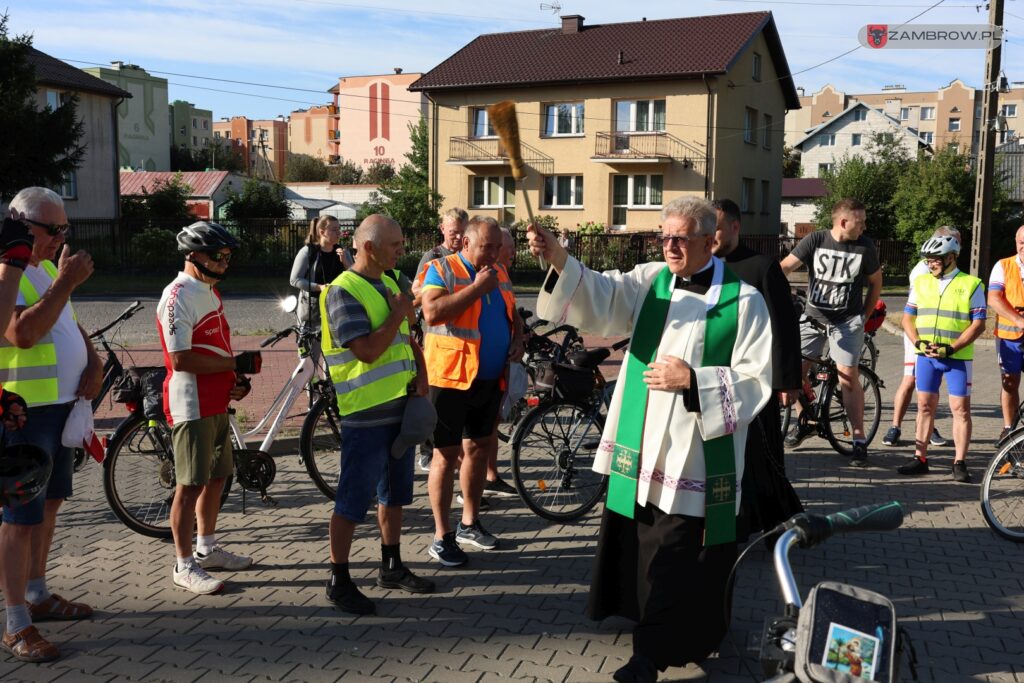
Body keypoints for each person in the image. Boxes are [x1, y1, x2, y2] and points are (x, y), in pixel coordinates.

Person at [528, 197, 773, 682]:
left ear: (711, 240)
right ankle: (651, 624)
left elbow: (755, 378)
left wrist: (694, 380)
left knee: (680, 548)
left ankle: (650, 655)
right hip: (641, 437)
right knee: (644, 537)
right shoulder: (650, 280)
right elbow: (600, 294)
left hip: (698, 447)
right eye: (664, 236)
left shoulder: (744, 301)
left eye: (680, 238)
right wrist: (558, 256)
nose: (670, 246)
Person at [0, 187, 99, 663]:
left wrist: (95, 358)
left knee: (50, 505)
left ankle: (38, 593)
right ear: (21, 225)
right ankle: (16, 621)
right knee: (19, 519)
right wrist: (67, 282)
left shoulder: (42, 272)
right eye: (52, 229)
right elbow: (22, 333)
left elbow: (67, 326)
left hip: (60, 410)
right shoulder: (8, 271)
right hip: (23, 413)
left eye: (65, 228)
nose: (61, 237)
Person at [321, 214, 435, 615]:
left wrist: (421, 374)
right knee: (353, 499)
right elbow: (367, 350)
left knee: (395, 494)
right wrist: (399, 313)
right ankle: (339, 579)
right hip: (365, 413)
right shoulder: (342, 291)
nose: (402, 251)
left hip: (400, 408)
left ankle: (391, 565)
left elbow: (408, 338)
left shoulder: (388, 283)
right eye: (395, 245)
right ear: (368, 247)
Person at [158, 221, 259, 595]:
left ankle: (206, 548)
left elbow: (213, 349)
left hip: (216, 402)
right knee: (189, 485)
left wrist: (235, 380)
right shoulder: (177, 295)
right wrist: (234, 364)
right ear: (194, 255)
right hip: (191, 404)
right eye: (219, 255)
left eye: (229, 255)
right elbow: (180, 359)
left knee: (217, 478)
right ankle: (183, 565)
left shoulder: (210, 291)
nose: (225, 262)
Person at [421, 216, 520, 567]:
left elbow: (513, 312)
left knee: (479, 448)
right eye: (486, 247)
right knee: (445, 457)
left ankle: (469, 523)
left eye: (497, 247)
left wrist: (518, 339)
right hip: (449, 379)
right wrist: (476, 288)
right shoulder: (441, 268)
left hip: (490, 379)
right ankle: (441, 536)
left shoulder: (500, 273)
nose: (493, 254)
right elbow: (431, 312)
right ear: (465, 244)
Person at [711, 199, 803, 536]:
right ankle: (733, 523)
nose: (711, 236)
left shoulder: (762, 267)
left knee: (761, 459)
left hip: (755, 381)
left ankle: (778, 525)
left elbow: (784, 326)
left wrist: (786, 382)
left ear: (735, 227)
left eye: (717, 228)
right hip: (714, 381)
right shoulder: (704, 267)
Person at [780, 198, 882, 468]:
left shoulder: (865, 246)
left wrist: (864, 316)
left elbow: (875, 283)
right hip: (813, 319)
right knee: (792, 372)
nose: (864, 227)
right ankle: (807, 420)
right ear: (843, 222)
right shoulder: (816, 240)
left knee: (848, 377)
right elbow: (784, 268)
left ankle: (858, 440)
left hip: (847, 323)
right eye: (860, 222)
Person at [897, 235, 985, 482]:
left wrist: (952, 347)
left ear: (951, 258)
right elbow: (907, 318)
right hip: (925, 356)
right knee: (924, 406)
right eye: (927, 260)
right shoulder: (922, 282)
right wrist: (917, 342)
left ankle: (959, 462)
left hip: (957, 358)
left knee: (960, 409)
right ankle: (920, 458)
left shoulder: (972, 284)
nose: (930, 264)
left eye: (935, 260)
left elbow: (978, 324)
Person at [882, 227, 959, 448]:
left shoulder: (950, 268)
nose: (957, 247)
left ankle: (925, 426)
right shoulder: (922, 270)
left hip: (935, 334)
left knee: (927, 384)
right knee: (912, 379)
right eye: (955, 241)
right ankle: (896, 426)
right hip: (919, 334)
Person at [413, 208, 468, 472]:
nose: (457, 236)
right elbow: (416, 289)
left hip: (463, 341)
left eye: (461, 231)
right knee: (433, 397)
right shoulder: (433, 256)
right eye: (453, 231)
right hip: (438, 339)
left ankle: (452, 451)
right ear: (442, 229)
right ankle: (427, 451)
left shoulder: (468, 257)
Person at [987, 225, 1024, 443]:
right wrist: (1019, 320)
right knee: (1009, 382)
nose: (1023, 247)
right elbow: (994, 298)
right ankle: (1009, 428)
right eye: (1021, 242)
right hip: (1009, 337)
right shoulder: (1003, 266)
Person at [289, 216, 349, 331]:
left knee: (335, 346)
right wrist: (319, 287)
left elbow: (355, 277)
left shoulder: (342, 252)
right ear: (322, 232)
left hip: (337, 306)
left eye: (339, 229)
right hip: (312, 309)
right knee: (312, 346)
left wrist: (346, 263)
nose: (338, 233)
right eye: (334, 229)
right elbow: (295, 279)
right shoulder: (308, 251)